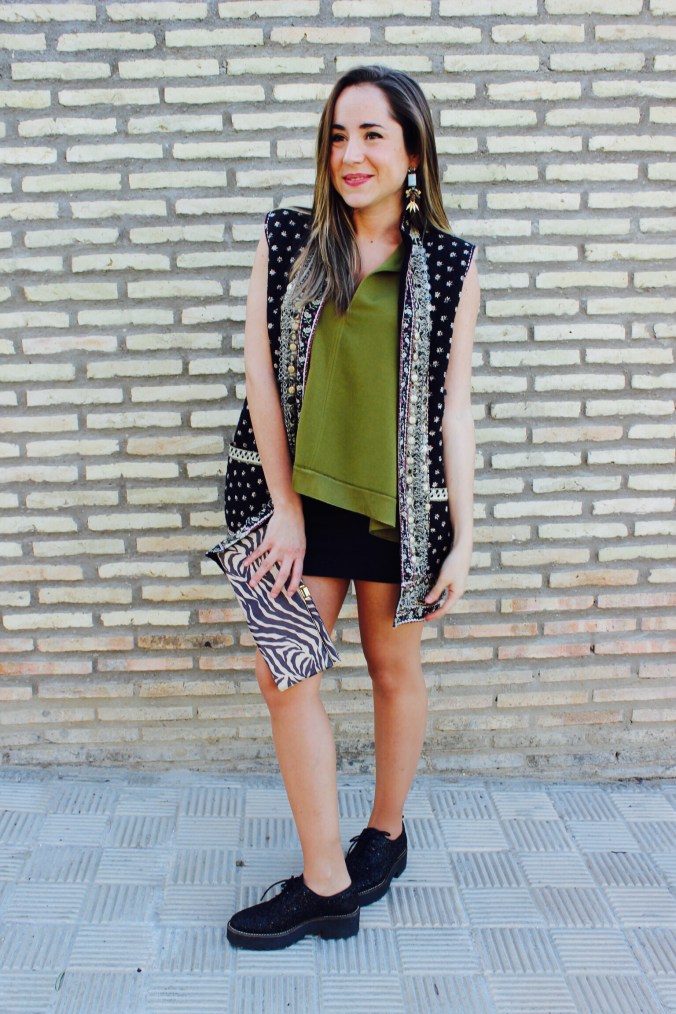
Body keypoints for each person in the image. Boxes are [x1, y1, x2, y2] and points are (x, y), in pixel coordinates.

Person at [223, 65, 480, 950]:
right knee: (284, 673)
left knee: (391, 667)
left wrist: (465, 538)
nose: (351, 154)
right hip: (303, 499)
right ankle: (327, 882)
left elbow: (454, 406)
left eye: (372, 135)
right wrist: (285, 507)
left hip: (403, 510)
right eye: (338, 135)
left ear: (413, 152)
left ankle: (386, 833)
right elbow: (259, 374)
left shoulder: (450, 263)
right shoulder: (289, 237)